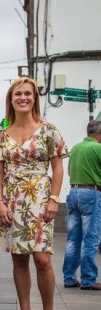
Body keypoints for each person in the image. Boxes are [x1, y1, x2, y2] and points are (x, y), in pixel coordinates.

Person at [0, 78, 66, 310]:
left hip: (41, 200)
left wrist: (54, 199)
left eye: (27, 94)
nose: (23, 97)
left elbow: (58, 168)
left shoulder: (49, 131)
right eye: (17, 93)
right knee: (19, 259)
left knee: (43, 259)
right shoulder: (1, 136)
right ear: (10, 100)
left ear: (34, 98)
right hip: (12, 201)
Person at [63, 120, 101, 291]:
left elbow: (70, 171)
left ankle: (69, 278)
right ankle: (89, 279)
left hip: (73, 192)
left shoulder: (76, 148)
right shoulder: (98, 148)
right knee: (90, 238)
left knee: (73, 239)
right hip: (91, 193)